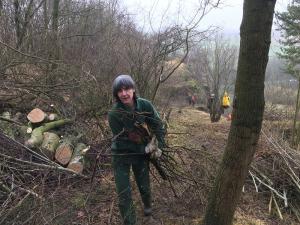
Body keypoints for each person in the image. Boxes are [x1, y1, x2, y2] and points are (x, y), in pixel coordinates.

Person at [108, 74, 166, 225]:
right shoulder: (114, 114)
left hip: (140, 155)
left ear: (133, 89)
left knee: (144, 185)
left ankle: (148, 215)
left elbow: (158, 125)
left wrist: (159, 146)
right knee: (124, 193)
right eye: (120, 91)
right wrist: (145, 149)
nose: (124, 93)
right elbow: (121, 141)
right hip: (120, 155)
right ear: (116, 94)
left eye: (127, 89)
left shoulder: (144, 105)